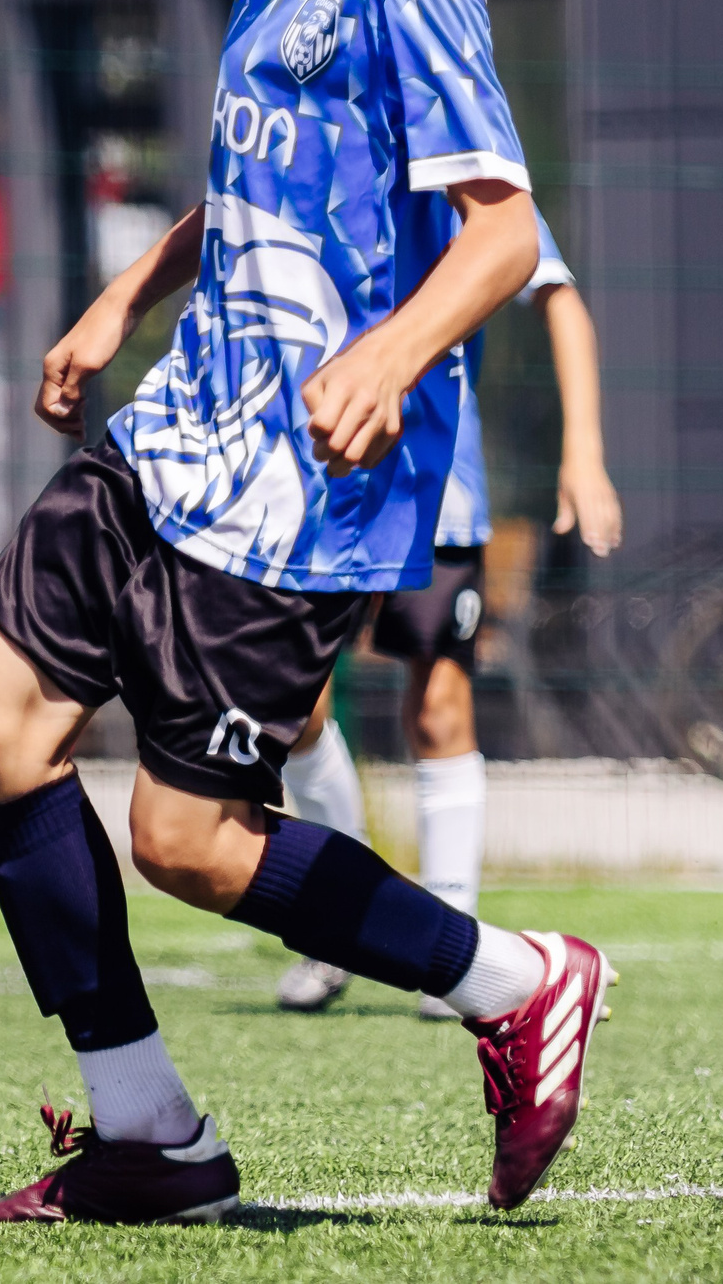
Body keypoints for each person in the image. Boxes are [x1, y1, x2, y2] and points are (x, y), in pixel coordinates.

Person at [0, 0, 614, 1226]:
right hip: (180, 426)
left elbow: (508, 232)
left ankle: (514, 980)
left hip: (306, 485)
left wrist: (390, 351)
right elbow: (258, 171)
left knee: (187, 836)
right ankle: (147, 1128)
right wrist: (128, 297)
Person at [275, 215, 623, 1017]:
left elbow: (558, 295)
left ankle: (453, 940)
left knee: (438, 703)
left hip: (435, 497)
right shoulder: (326, 156)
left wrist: (584, 453)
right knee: (295, 708)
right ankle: (340, 928)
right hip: (318, 490)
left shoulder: (463, 160)